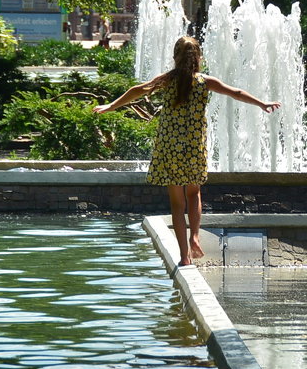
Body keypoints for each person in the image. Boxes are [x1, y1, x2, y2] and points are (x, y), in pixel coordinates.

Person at [93, 36, 280, 267]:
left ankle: (184, 256)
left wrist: (110, 106)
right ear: (199, 58)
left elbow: (136, 90)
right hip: (193, 146)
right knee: (194, 194)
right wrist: (262, 103)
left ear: (175, 57)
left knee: (176, 203)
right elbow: (236, 92)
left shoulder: (166, 80)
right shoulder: (204, 81)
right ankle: (195, 237)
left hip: (169, 147)